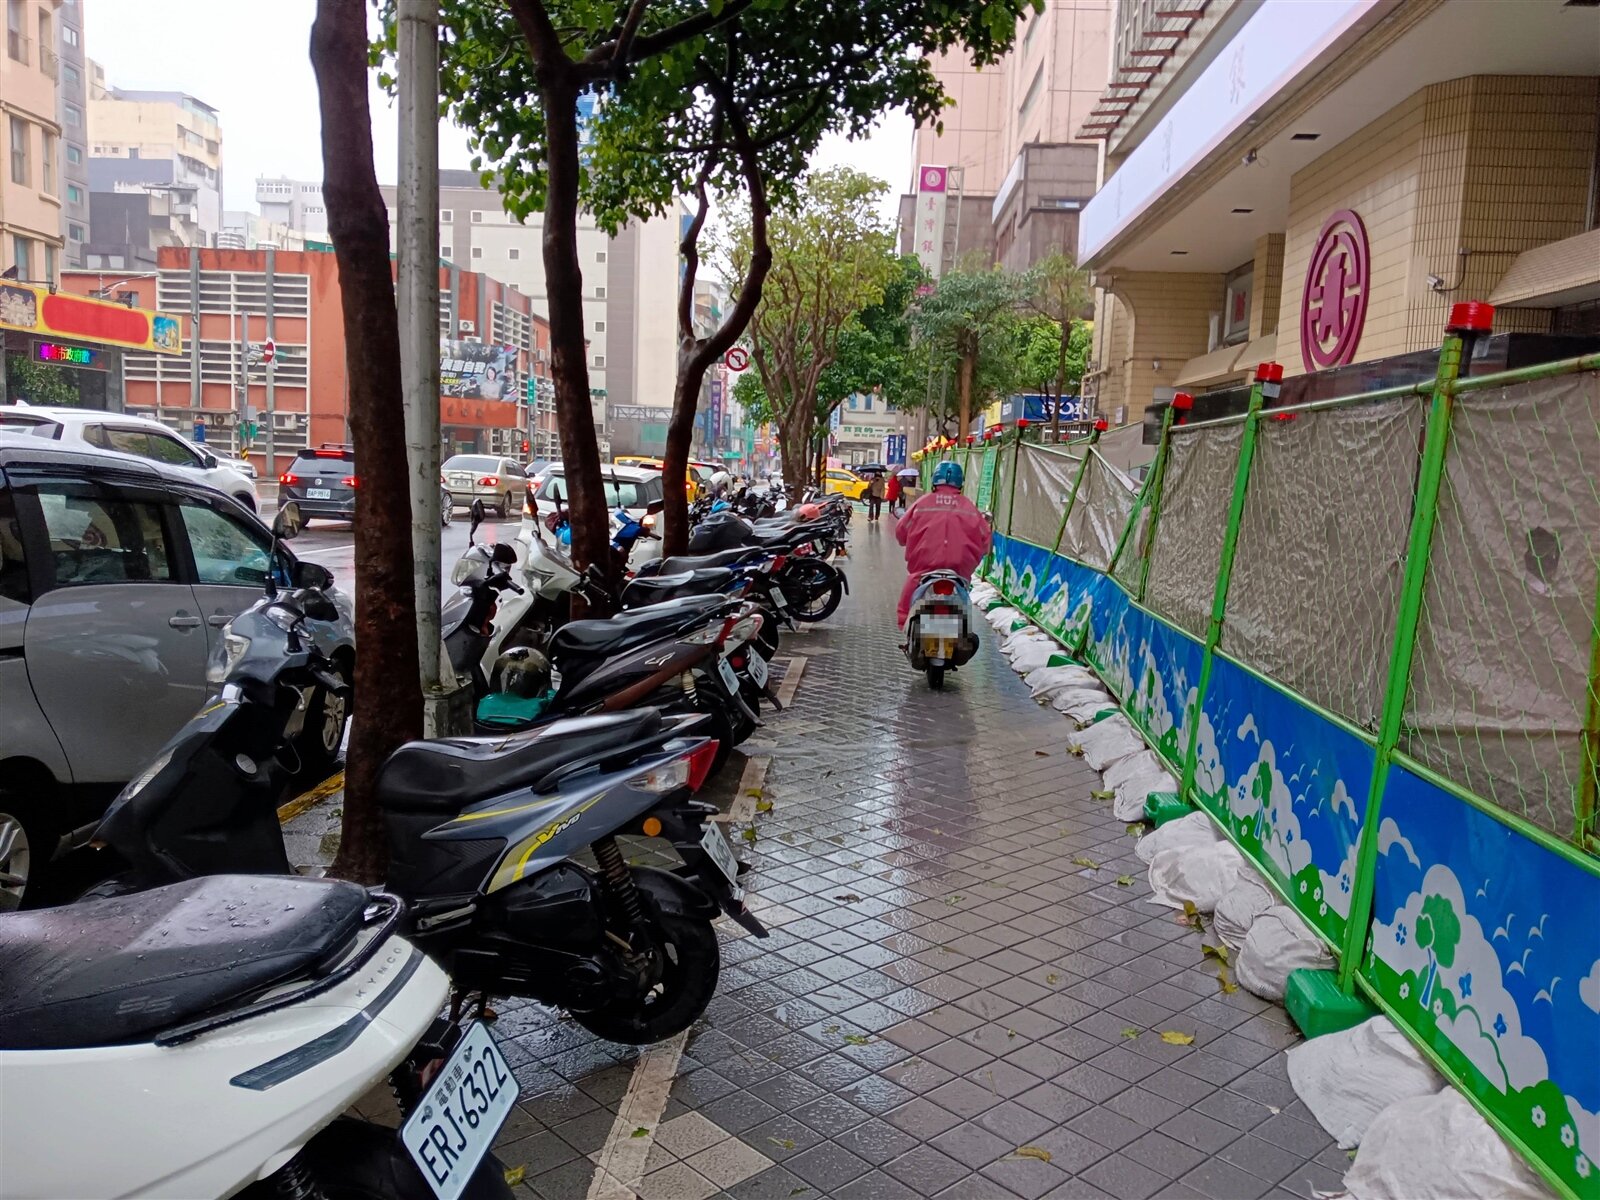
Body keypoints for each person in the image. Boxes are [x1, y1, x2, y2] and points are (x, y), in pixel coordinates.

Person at [894, 460, 991, 628]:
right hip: (959, 570)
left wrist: (904, 540)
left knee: (912, 583)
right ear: (960, 483)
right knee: (963, 599)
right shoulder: (969, 507)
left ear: (934, 481)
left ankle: (904, 623)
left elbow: (901, 532)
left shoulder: (922, 504)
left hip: (924, 567)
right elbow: (986, 541)